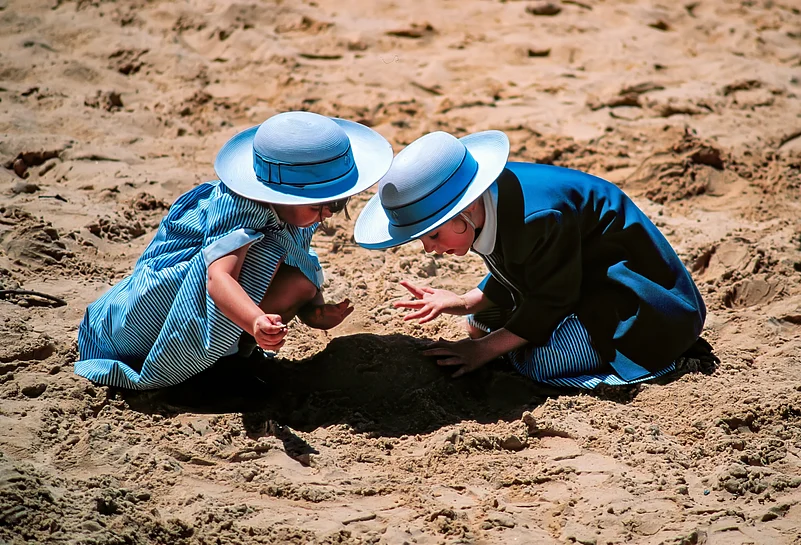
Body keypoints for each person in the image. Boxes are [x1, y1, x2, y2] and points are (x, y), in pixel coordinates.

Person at [354, 130, 714, 389]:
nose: (429, 248)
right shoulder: (487, 207)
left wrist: (482, 351)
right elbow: (523, 264)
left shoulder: (537, 217)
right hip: (573, 278)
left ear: (465, 210)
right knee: (479, 319)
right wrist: (466, 301)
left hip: (634, 301)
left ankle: (669, 359)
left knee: (541, 363)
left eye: (433, 234)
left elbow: (552, 297)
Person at [75, 111, 392, 390]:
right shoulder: (241, 207)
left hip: (211, 304)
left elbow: (296, 257)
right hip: (151, 317)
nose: (328, 214)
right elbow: (218, 278)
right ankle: (206, 360)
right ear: (285, 194)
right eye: (322, 204)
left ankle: (225, 354)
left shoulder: (296, 214)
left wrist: (315, 310)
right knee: (267, 257)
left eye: (338, 203)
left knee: (302, 283)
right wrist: (255, 322)